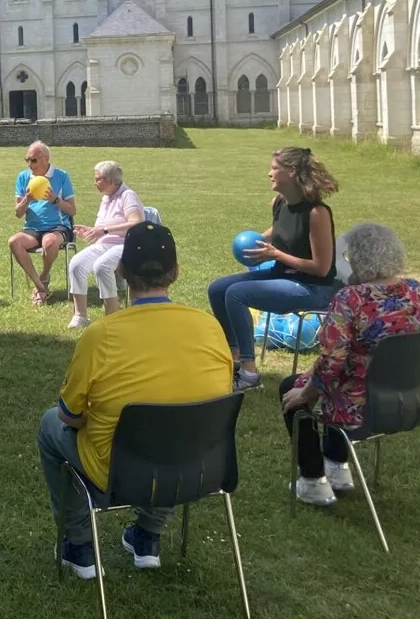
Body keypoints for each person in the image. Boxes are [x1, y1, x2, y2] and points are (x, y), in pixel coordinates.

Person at [38, 222, 234, 579]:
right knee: (177, 429)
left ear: (122, 271)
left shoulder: (102, 335)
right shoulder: (210, 326)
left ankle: (78, 545)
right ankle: (147, 536)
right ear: (175, 272)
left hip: (118, 475)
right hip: (198, 469)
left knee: (50, 423)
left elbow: (69, 416)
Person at [280, 223, 420, 506]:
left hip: (366, 408)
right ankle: (337, 467)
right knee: (341, 379)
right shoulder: (417, 291)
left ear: (359, 259)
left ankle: (313, 481)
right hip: (415, 400)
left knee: (293, 388)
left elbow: (332, 363)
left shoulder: (350, 299)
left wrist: (304, 393)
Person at [206, 147, 342, 391]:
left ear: (290, 172)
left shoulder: (316, 213)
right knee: (217, 289)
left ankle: (249, 374)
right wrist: (260, 241)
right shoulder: (279, 202)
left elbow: (321, 269)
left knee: (236, 294)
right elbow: (279, 231)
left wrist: (275, 254)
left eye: (274, 168)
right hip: (283, 275)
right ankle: (234, 358)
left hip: (313, 287)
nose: (269, 173)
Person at [66, 161, 145, 329]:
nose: (95, 183)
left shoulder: (127, 195)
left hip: (126, 245)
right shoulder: (106, 198)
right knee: (76, 264)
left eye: (98, 179)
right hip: (104, 244)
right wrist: (90, 230)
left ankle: (113, 317)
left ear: (110, 180)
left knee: (101, 266)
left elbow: (136, 223)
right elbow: (102, 227)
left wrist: (104, 230)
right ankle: (80, 315)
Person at [9, 142, 77, 306]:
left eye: (33, 160)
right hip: (32, 228)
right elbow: (18, 213)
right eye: (27, 160)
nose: (29, 165)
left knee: (49, 242)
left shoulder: (61, 176)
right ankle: (40, 286)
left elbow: (72, 210)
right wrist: (27, 200)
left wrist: (54, 199)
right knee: (14, 242)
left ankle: (44, 276)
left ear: (45, 159)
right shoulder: (23, 177)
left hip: (57, 226)